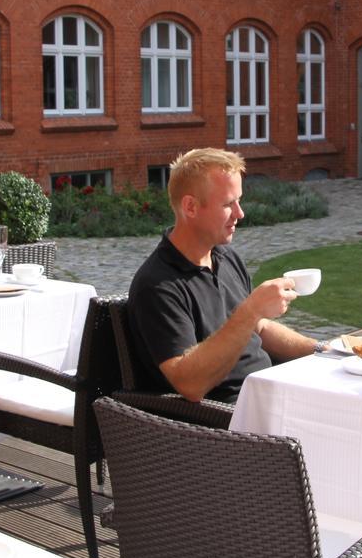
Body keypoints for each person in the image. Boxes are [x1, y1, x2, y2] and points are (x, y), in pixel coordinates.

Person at [126, 148, 319, 404]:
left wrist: (321, 350)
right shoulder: (158, 284)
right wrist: (250, 310)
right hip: (226, 421)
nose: (240, 213)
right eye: (229, 204)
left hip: (269, 395)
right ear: (191, 207)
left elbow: (259, 328)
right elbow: (190, 384)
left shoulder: (226, 258)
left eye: (239, 201)